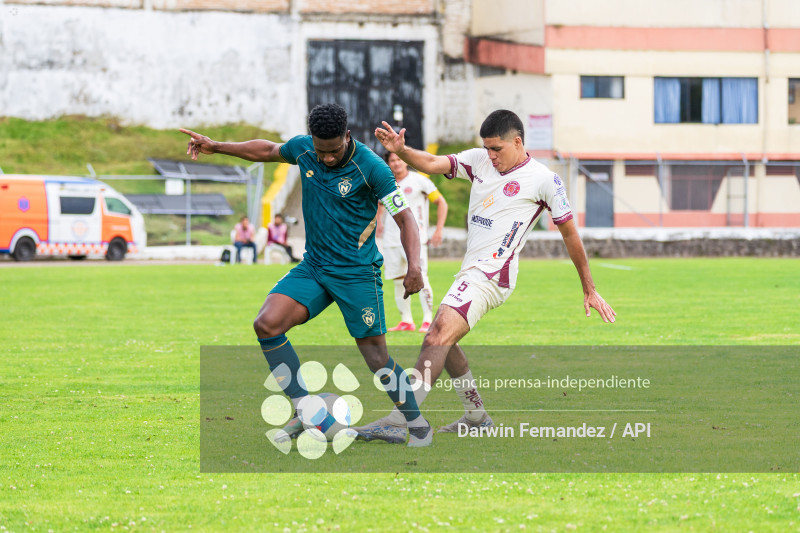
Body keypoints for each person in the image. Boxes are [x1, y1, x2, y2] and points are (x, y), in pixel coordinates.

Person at [354, 109, 616, 444]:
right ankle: (476, 416)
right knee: (445, 341)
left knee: (436, 335)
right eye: (487, 149)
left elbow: (570, 235)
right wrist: (402, 150)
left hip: (493, 275)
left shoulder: (544, 179)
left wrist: (589, 289)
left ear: (517, 142)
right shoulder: (479, 160)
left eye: (497, 149)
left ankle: (399, 419)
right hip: (471, 269)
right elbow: (434, 163)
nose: (491, 156)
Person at [180, 103, 433, 447]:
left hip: (356, 273)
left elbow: (405, 219)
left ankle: (418, 425)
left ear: (347, 136)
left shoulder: (372, 169)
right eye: (320, 151)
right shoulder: (304, 149)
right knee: (266, 324)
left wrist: (414, 266)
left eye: (334, 151)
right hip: (314, 267)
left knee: (376, 358)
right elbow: (268, 150)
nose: (326, 158)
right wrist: (217, 146)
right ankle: (304, 407)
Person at [377, 151, 448, 333]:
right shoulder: (385, 182)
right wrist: (378, 223)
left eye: (399, 159)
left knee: (421, 276)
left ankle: (427, 320)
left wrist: (438, 229)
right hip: (391, 240)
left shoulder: (420, 181)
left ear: (405, 161)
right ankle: (406, 321)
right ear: (388, 164)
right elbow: (379, 206)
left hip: (414, 239)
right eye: (392, 161)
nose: (396, 163)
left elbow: (441, 202)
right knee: (398, 280)